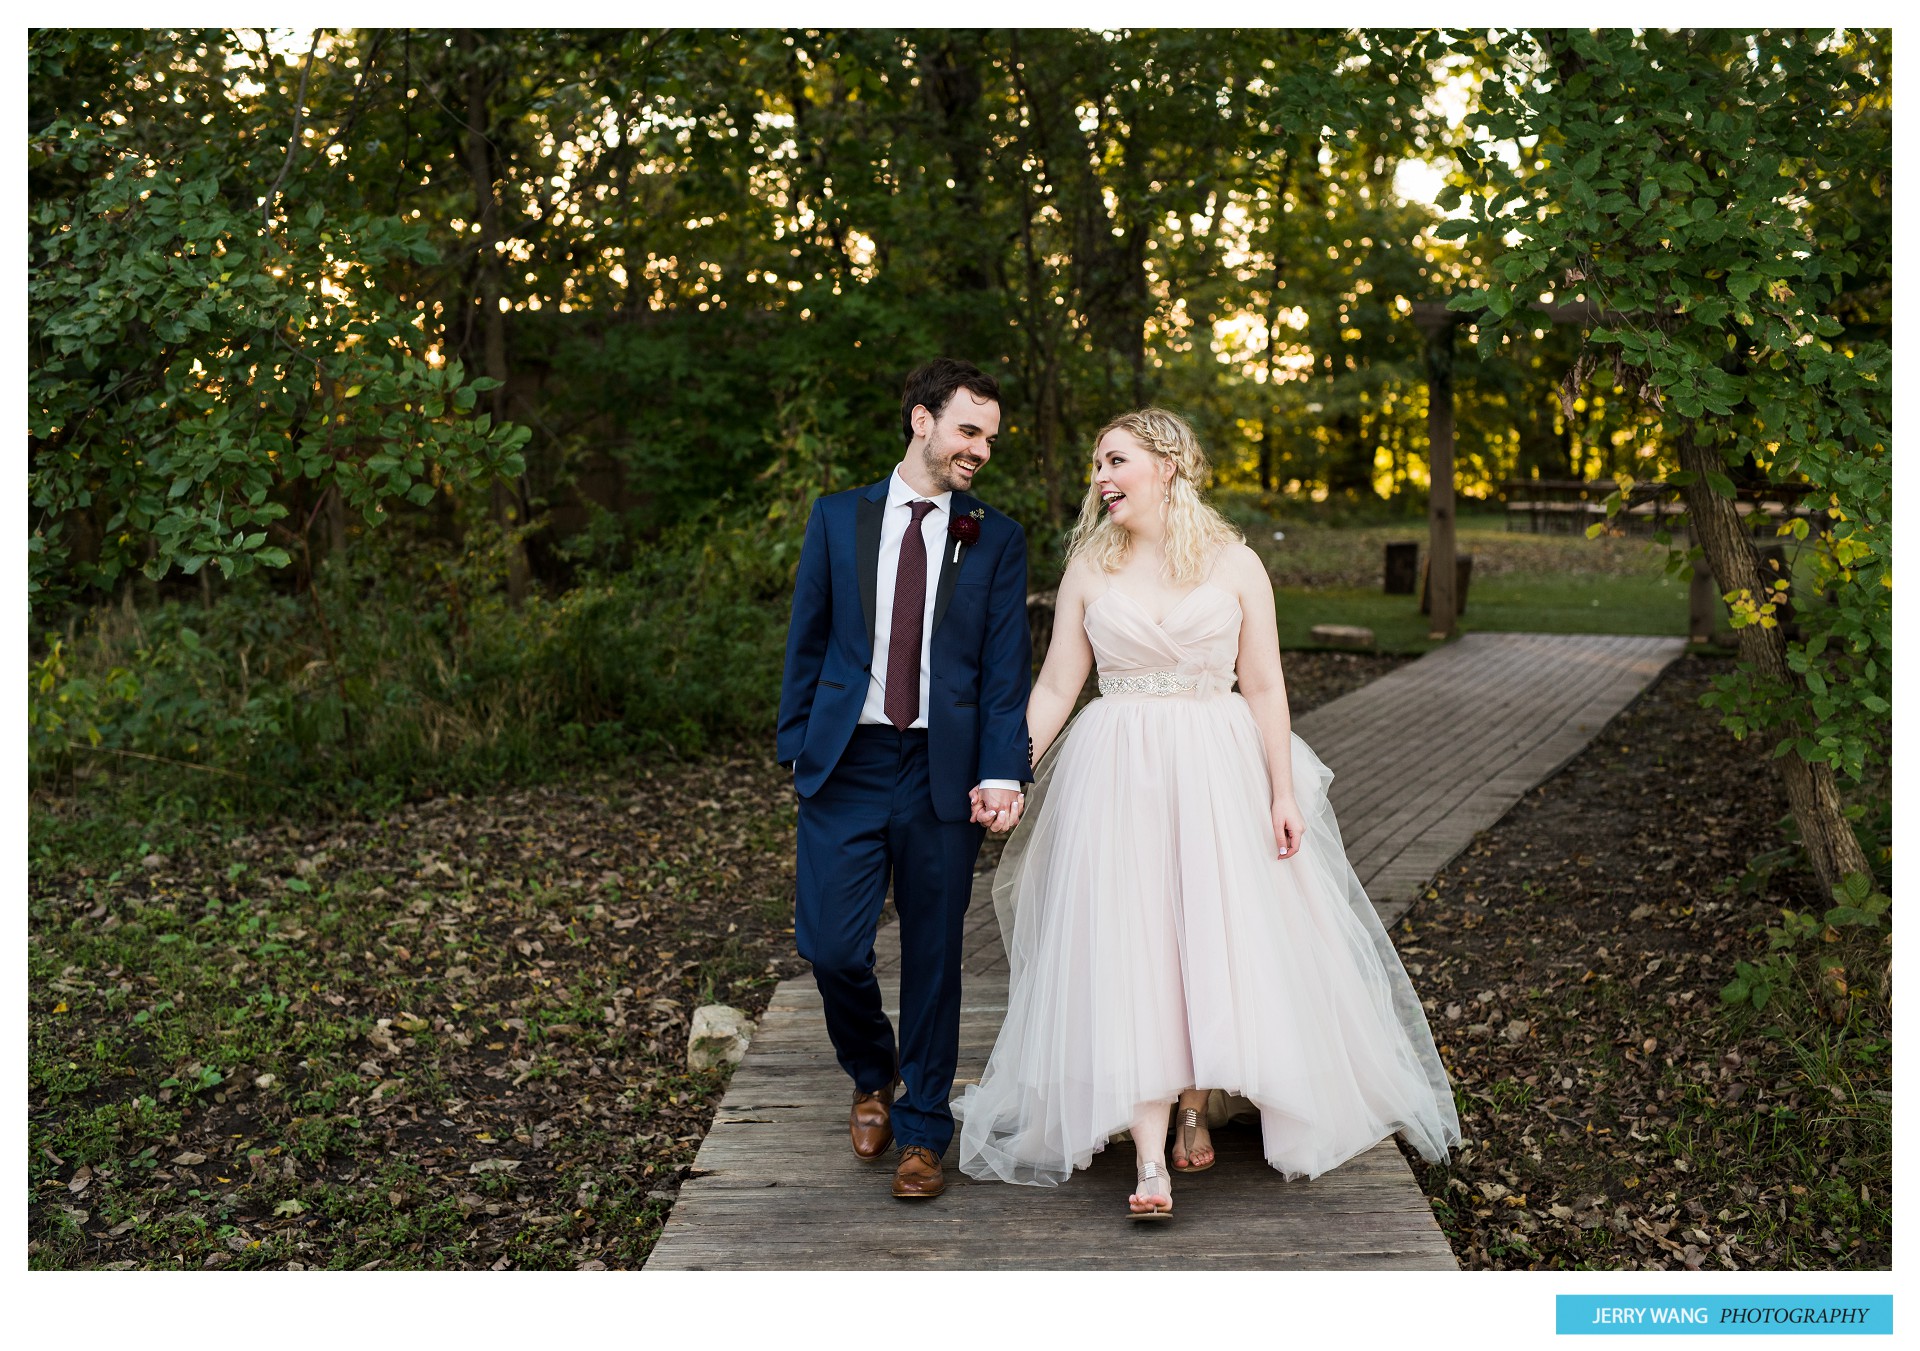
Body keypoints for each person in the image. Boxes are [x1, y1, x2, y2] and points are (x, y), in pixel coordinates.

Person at [951, 408, 1459, 1219]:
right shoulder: (1091, 562)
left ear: (1169, 464)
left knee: (1207, 936)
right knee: (1136, 944)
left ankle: (1196, 1101)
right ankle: (1150, 1156)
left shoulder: (1236, 564)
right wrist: (1010, 773)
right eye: (1094, 464)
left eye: (1113, 459)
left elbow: (1263, 687)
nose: (1099, 478)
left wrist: (1281, 790)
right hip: (1115, 772)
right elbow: (1055, 687)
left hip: (1216, 768)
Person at [776, 357, 1032, 1200]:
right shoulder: (837, 518)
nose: (981, 451)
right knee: (832, 946)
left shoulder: (994, 535)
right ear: (920, 420)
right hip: (846, 762)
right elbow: (808, 640)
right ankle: (870, 1071)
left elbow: (1003, 669)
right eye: (968, 430)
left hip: (941, 770)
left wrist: (1002, 768)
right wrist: (795, 745)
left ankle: (925, 1128)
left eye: (990, 438)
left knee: (933, 953)